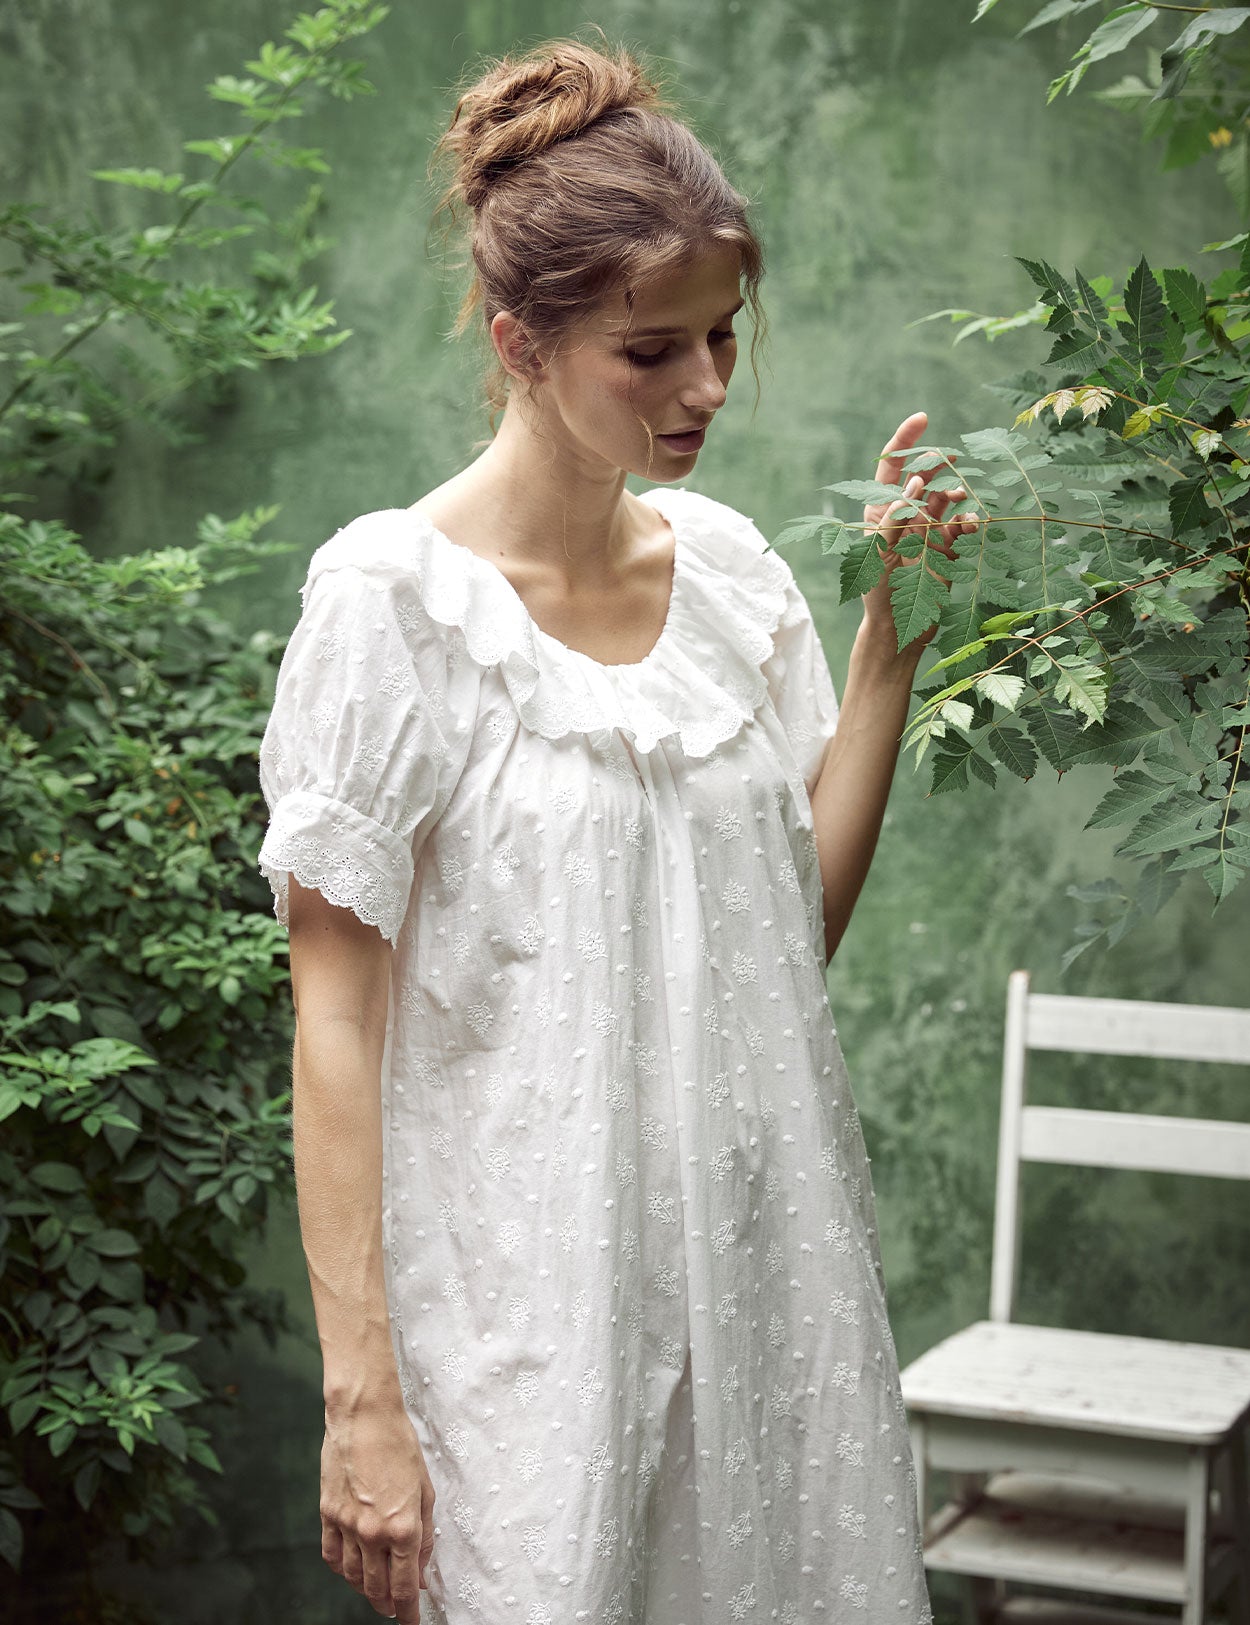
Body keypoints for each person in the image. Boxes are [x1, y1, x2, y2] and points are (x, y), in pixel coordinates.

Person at [257, 38, 977, 1625]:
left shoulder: (732, 582)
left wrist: (886, 652)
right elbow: (335, 1022)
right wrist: (361, 1399)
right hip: (529, 1327)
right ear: (519, 341)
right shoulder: (393, 608)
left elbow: (783, 937)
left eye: (720, 337)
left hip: (766, 1288)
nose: (704, 387)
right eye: (650, 352)